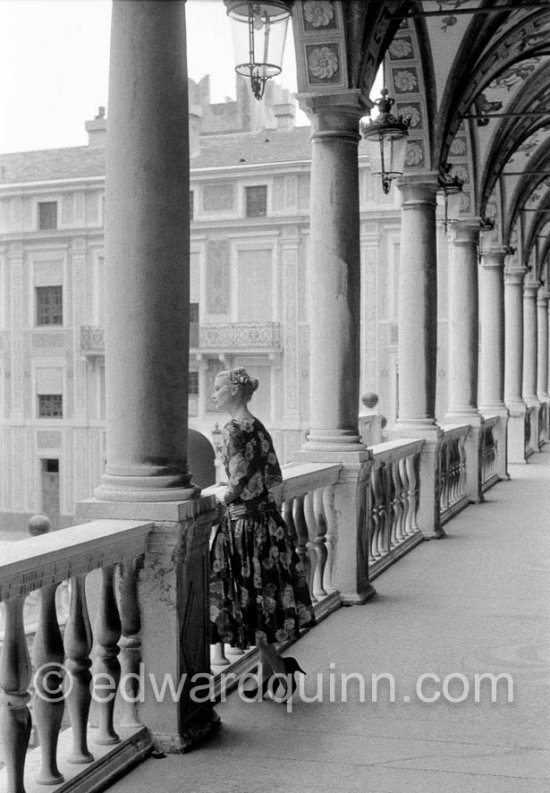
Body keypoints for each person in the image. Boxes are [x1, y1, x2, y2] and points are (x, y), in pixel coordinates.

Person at [209, 367, 315, 701]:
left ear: (235, 392)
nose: (214, 394)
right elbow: (274, 476)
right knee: (263, 601)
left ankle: (281, 671)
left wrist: (222, 498)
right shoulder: (258, 426)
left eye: (218, 388)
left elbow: (237, 481)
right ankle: (271, 674)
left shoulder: (232, 430)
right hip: (267, 524)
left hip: (245, 527)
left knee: (252, 602)